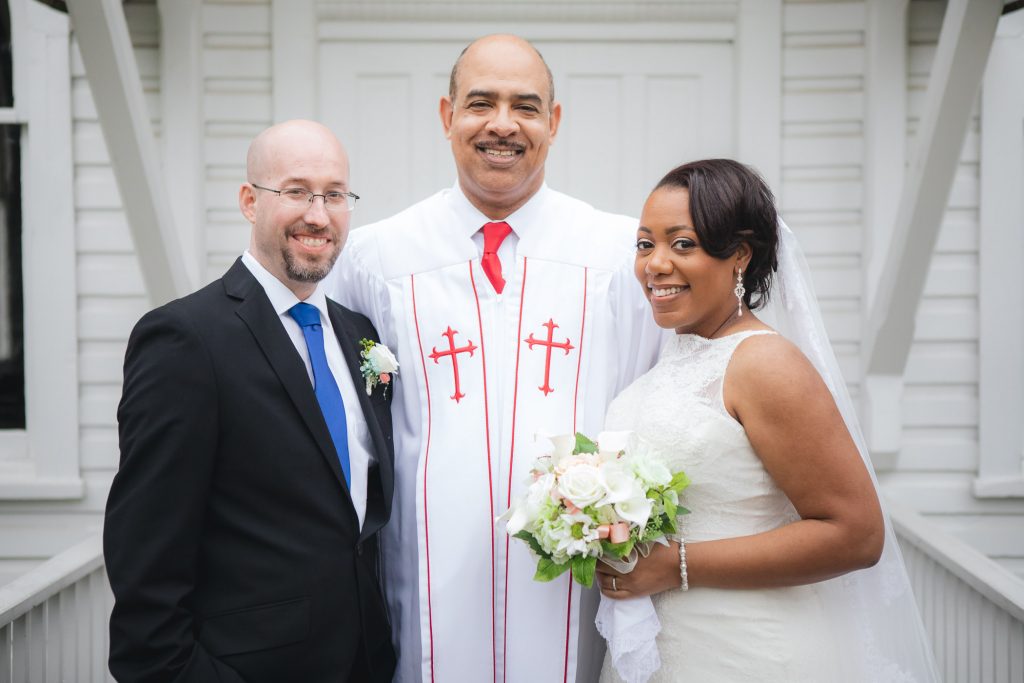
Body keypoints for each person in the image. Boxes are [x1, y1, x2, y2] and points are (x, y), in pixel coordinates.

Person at [330, 34, 664, 683]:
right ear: (447, 114)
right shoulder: (376, 258)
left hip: (576, 586)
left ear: (554, 121)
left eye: (526, 105)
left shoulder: (620, 254)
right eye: (481, 103)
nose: (503, 124)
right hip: (423, 580)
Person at [595, 159, 939, 682]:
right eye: (646, 244)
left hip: (747, 652)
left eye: (681, 243)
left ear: (739, 255)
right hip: (664, 650)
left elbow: (857, 534)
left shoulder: (764, 363)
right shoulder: (670, 358)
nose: (655, 264)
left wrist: (675, 564)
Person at [104, 120, 396, 683]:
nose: (318, 214)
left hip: (366, 661)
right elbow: (146, 562)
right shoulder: (185, 339)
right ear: (248, 201)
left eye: (334, 195)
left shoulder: (360, 335)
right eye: (296, 191)